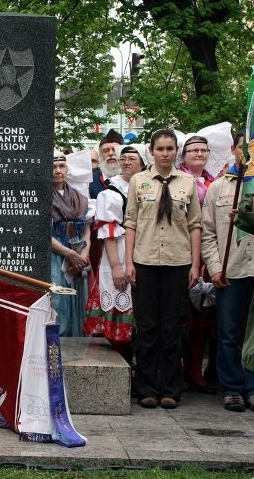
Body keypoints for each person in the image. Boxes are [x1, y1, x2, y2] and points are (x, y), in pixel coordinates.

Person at [125, 129, 202, 409]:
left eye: (170, 148)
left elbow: (195, 225)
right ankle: (145, 388)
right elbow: (131, 222)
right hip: (144, 262)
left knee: (172, 328)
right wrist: (129, 261)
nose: (165, 153)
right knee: (147, 328)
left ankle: (170, 388)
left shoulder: (188, 183)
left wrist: (195, 264)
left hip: (177, 263)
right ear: (152, 151)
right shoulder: (138, 181)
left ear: (176, 151)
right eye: (160, 149)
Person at [201, 130, 254, 412]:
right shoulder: (218, 188)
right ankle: (232, 388)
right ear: (233, 149)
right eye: (244, 147)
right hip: (230, 269)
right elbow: (208, 234)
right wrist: (214, 267)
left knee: (253, 334)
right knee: (229, 332)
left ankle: (252, 386)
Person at [88, 144, 146, 363]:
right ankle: (124, 368)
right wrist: (116, 266)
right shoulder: (110, 192)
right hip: (119, 253)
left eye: (132, 158)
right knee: (121, 310)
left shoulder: (149, 186)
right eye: (123, 158)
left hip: (144, 252)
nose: (126, 162)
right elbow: (108, 232)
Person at [178, 134, 217, 394]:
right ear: (185, 154)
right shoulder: (177, 179)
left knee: (204, 316)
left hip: (209, 254)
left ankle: (197, 370)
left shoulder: (215, 181)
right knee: (181, 316)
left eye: (203, 150)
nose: (199, 154)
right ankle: (178, 369)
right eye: (193, 150)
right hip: (180, 253)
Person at [50, 151, 90, 337]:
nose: (58, 171)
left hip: (78, 254)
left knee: (78, 299)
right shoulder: (42, 197)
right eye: (54, 167)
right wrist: (68, 253)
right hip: (54, 255)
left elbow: (86, 230)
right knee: (58, 299)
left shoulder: (79, 196)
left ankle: (77, 341)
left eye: (61, 166)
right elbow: (42, 232)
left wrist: (82, 255)